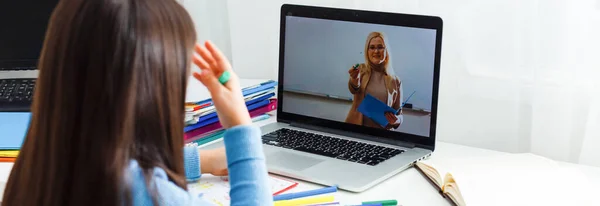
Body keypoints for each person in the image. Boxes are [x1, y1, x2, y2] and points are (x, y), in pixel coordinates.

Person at [1, 0, 272, 205]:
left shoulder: (40, 166)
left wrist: (198, 160)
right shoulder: (151, 194)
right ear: (152, 92)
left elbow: (110, 153)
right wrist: (240, 127)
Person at [345, 32, 404, 130]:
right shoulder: (361, 70)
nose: (376, 51)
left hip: (381, 136)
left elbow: (399, 114)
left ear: (386, 50)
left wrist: (397, 120)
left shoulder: (395, 81)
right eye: (372, 47)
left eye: (380, 47)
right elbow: (354, 88)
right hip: (356, 131)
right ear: (367, 51)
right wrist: (355, 79)